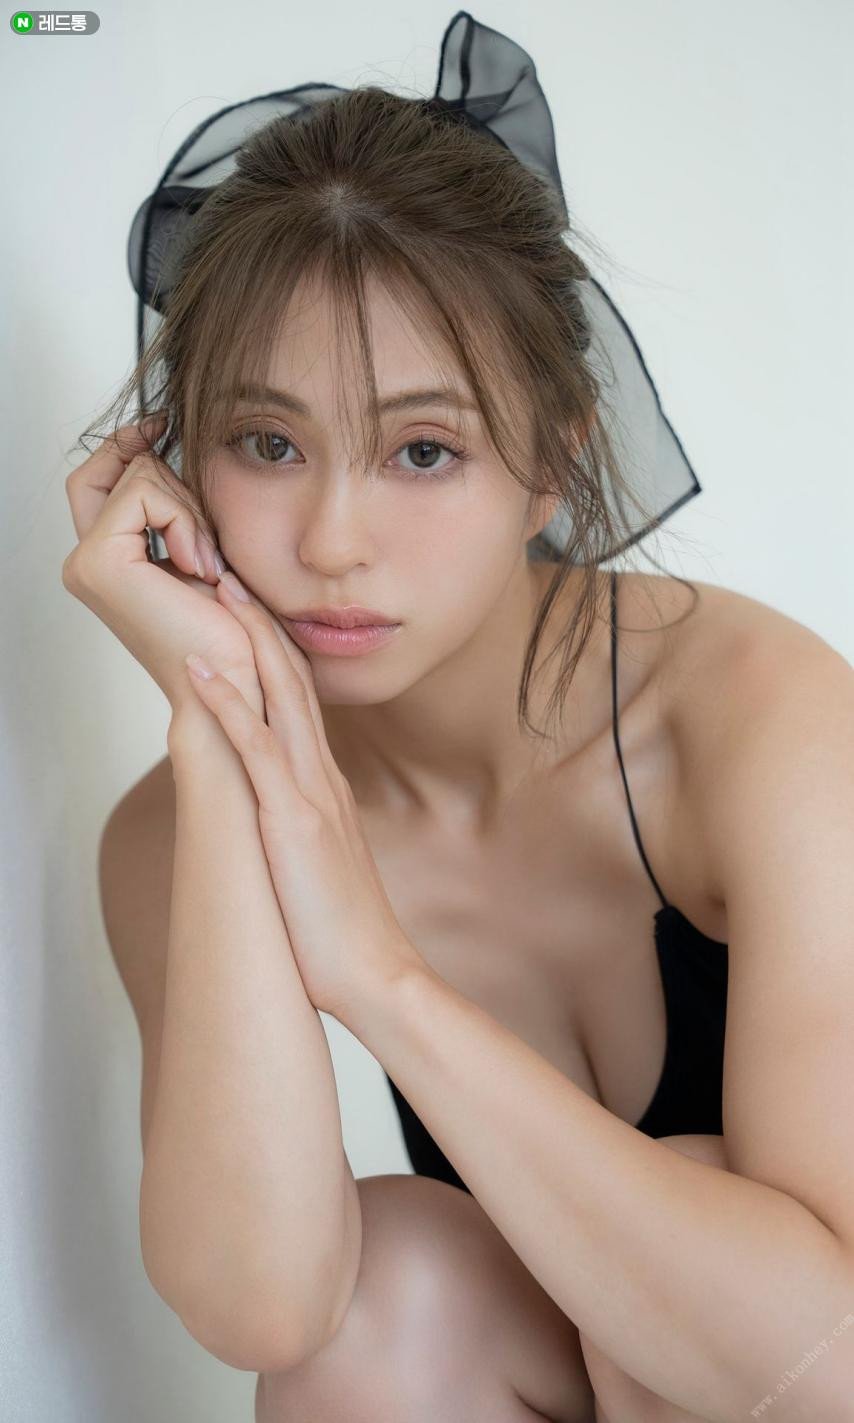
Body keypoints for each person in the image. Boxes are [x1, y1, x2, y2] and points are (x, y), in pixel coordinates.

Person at [62, 46, 854, 1423]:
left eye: (422, 450)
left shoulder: (756, 718)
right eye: (266, 444)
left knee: (694, 1221)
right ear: (177, 466)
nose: (332, 542)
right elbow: (264, 1311)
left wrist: (381, 978)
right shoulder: (169, 832)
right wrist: (220, 733)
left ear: (554, 456)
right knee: (381, 1304)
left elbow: (825, 1365)